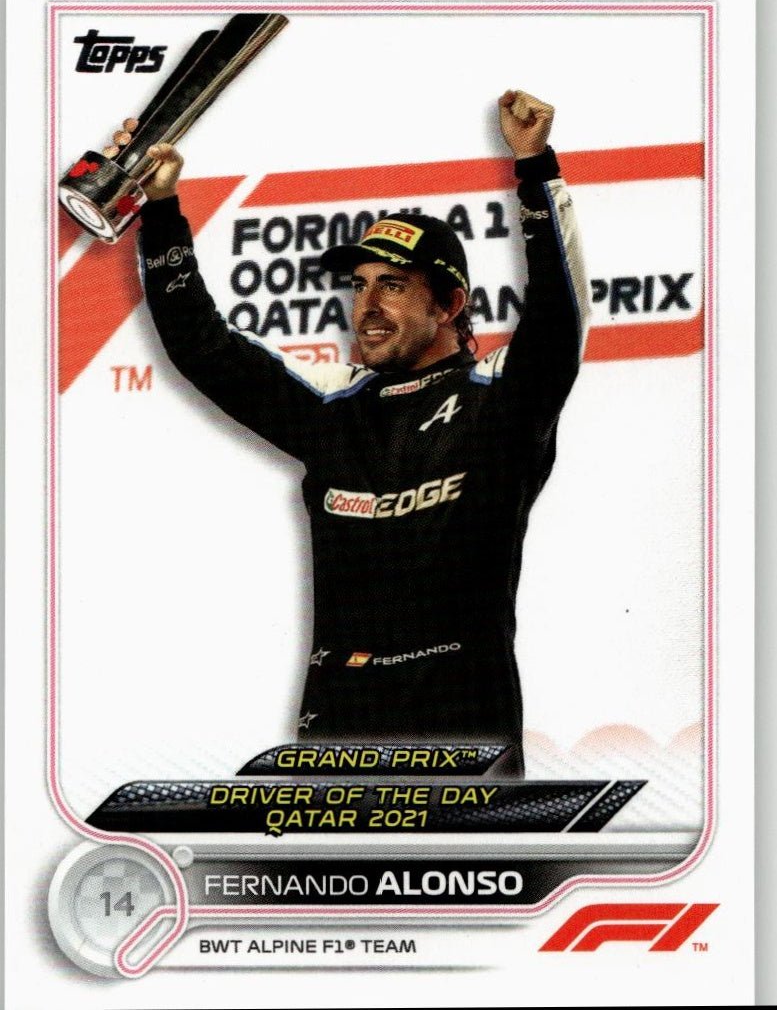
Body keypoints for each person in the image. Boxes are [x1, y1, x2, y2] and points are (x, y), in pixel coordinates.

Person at [130, 90, 590, 777]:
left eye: (393, 286)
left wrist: (533, 167)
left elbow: (558, 315)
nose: (366, 306)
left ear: (449, 304)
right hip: (337, 721)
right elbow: (204, 349)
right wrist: (162, 211)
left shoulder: (500, 401)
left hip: (460, 720)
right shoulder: (333, 410)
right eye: (359, 285)